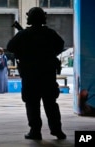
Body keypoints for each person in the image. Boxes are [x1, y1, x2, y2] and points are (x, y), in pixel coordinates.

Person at [7, 7, 66, 140]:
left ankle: (35, 131)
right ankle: (57, 130)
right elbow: (60, 45)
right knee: (51, 104)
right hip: (47, 74)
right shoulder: (50, 33)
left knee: (32, 104)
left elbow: (10, 47)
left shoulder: (23, 35)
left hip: (30, 75)